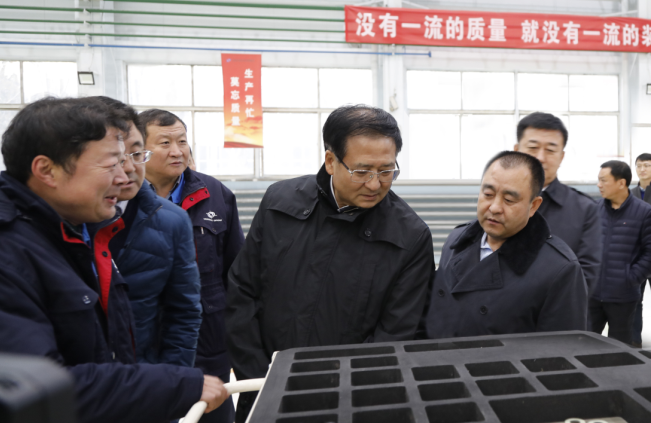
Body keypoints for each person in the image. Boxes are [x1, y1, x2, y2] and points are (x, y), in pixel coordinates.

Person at [0, 97, 228, 423]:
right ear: (47, 170)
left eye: (132, 157)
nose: (125, 177)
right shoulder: (13, 251)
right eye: (111, 164)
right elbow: (34, 388)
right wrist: (171, 386)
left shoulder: (75, 231)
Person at [226, 105, 434, 423]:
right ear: (331, 160)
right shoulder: (280, 202)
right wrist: (262, 379)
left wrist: (344, 395)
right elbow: (241, 292)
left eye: (386, 171)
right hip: (264, 392)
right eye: (362, 171)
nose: (375, 184)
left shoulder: (409, 236)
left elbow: (397, 333)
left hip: (349, 405)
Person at [140, 109, 244, 423]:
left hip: (208, 338)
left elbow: (237, 271)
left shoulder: (215, 194)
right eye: (165, 143)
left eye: (182, 141)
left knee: (214, 412)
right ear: (139, 150)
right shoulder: (122, 196)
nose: (177, 151)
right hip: (147, 339)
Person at [424, 151, 587, 339]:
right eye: (488, 194)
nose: (494, 207)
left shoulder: (559, 269)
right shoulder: (456, 240)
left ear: (534, 206)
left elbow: (562, 350)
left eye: (509, 200)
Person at [94, 97, 202, 368]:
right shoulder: (65, 219)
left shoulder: (172, 220)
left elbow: (184, 312)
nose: (129, 167)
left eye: (136, 153)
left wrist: (169, 379)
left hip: (146, 372)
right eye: (116, 157)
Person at [514, 112, 601, 294]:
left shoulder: (585, 210)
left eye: (550, 150)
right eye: (533, 147)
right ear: (516, 151)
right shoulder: (496, 203)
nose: (541, 157)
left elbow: (585, 278)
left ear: (561, 157)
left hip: (557, 310)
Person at [591, 160, 651, 345]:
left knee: (619, 349)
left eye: (603, 180)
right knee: (585, 345)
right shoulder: (594, 209)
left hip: (623, 297)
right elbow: (583, 247)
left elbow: (649, 252)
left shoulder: (644, 212)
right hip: (592, 294)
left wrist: (630, 278)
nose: (599, 185)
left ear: (621, 183)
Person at [632, 153, 651, 347]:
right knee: (635, 300)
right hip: (637, 257)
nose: (642, 169)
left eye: (647, 165)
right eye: (639, 165)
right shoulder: (629, 194)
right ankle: (634, 341)